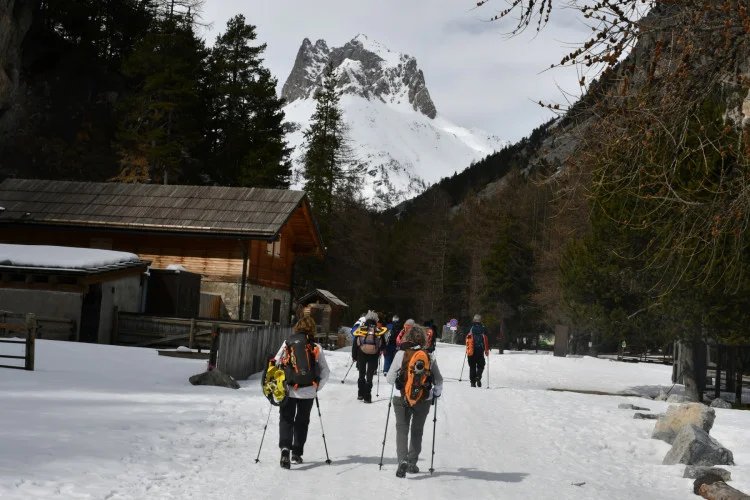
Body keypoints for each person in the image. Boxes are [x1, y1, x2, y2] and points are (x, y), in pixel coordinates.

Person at [273, 315, 330, 469]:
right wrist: (317, 387)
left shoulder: (288, 343)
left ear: (297, 328)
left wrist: (278, 384)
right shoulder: (316, 346)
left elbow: (276, 363)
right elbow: (325, 371)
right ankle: (296, 453)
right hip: (308, 390)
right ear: (312, 329)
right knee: (302, 421)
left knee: (286, 419)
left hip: (289, 389)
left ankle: (285, 448)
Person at [386, 325, 443, 477]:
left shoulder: (400, 354)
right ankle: (412, 463)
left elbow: (390, 379)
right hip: (423, 398)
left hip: (401, 397)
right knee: (417, 431)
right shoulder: (429, 356)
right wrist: (436, 393)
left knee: (402, 428)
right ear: (424, 339)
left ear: (407, 337)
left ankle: (402, 461)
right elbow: (439, 380)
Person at [352, 310, 387, 403]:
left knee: (361, 374)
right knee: (369, 375)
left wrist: (354, 356)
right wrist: (379, 350)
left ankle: (360, 394)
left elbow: (355, 344)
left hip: (361, 354)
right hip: (373, 355)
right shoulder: (378, 330)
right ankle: (367, 397)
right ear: (376, 320)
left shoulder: (361, 329)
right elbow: (383, 345)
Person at [466, 314, 489, 387]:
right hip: (480, 351)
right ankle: (478, 376)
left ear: (474, 320)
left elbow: (466, 338)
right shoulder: (483, 328)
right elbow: (487, 338)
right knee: (481, 365)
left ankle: (473, 383)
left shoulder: (470, 328)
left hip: (471, 351)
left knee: (472, 367)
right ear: (480, 320)